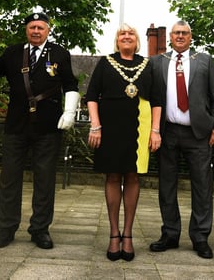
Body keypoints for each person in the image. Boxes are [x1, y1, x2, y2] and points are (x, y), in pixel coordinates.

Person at [0, 12, 79, 250]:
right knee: (9, 179)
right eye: (31, 27)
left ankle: (40, 229)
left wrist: (69, 112)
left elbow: (70, 84)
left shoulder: (59, 53)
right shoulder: (13, 52)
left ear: (48, 29)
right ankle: (6, 229)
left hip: (48, 126)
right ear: (26, 30)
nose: (36, 31)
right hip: (16, 125)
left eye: (40, 27)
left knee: (45, 180)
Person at [85, 24, 162, 261]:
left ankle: (127, 235)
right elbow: (91, 97)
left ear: (137, 40)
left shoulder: (147, 64)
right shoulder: (106, 62)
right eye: (122, 34)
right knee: (112, 176)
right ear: (117, 41)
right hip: (109, 127)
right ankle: (113, 233)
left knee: (132, 176)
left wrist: (156, 131)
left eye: (130, 34)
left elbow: (158, 100)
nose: (126, 36)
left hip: (140, 127)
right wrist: (95, 126)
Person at [149, 20, 214, 259]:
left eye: (184, 33)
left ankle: (200, 236)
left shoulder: (204, 61)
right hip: (167, 131)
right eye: (176, 33)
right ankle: (170, 234)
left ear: (191, 37)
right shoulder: (157, 62)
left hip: (198, 133)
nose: (180, 36)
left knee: (202, 186)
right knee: (166, 185)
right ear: (170, 37)